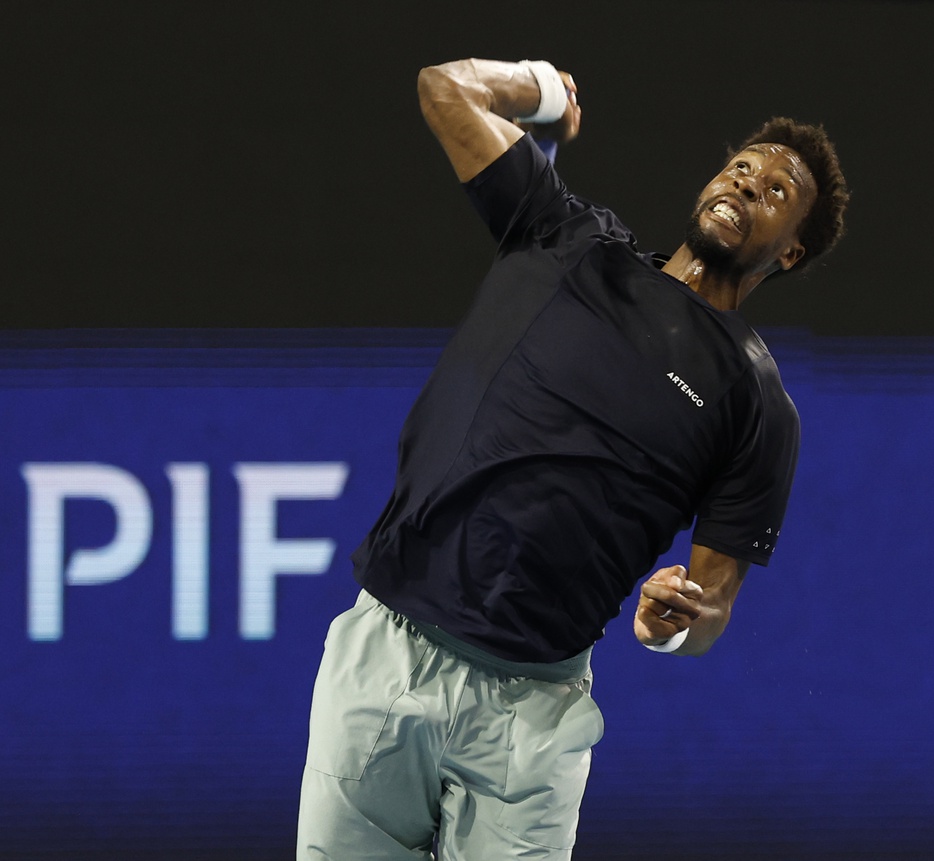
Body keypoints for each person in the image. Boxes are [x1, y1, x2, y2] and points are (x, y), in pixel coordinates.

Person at [297, 57, 848, 860]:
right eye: (739, 168)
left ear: (789, 252)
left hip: (532, 717)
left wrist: (671, 624)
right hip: (386, 658)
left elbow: (712, 605)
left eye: (772, 193)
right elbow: (444, 88)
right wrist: (544, 90)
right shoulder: (565, 236)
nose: (743, 186)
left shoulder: (757, 405)